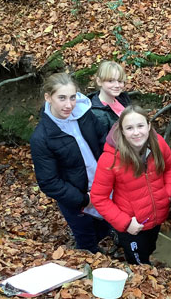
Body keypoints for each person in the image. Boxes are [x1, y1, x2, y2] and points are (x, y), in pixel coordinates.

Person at [29, 73, 111, 253]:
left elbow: (104, 141)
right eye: (62, 98)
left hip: (104, 186)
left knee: (106, 228)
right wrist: (84, 199)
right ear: (48, 97)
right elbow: (49, 182)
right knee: (86, 240)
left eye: (72, 97)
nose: (69, 105)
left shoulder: (84, 114)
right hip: (77, 199)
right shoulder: (41, 138)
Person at [90, 106, 171, 264]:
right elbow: (99, 197)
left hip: (157, 216)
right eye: (129, 128)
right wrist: (125, 222)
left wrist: (169, 193)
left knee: (149, 247)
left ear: (149, 126)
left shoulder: (158, 143)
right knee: (138, 261)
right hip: (132, 225)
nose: (136, 132)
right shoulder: (110, 158)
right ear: (122, 131)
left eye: (140, 126)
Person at [87, 61, 132, 129]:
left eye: (120, 81)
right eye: (110, 81)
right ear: (99, 81)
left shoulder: (123, 99)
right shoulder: (96, 113)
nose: (117, 85)